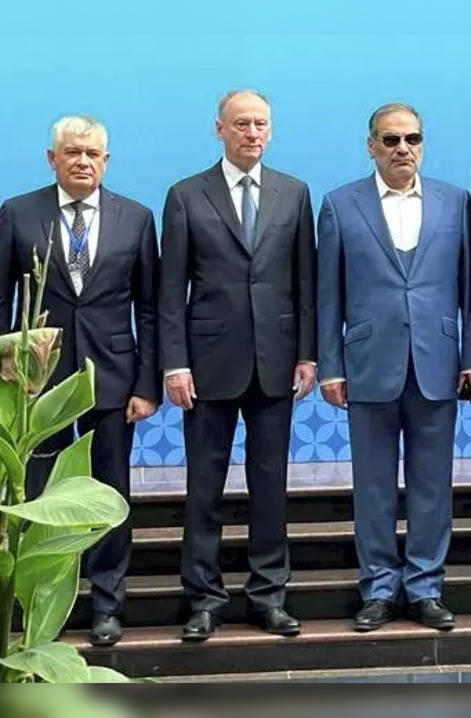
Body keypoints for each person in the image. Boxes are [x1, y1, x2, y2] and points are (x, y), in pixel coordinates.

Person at [316, 102, 471, 633]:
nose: (402, 149)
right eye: (390, 140)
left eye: (411, 139)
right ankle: (378, 587)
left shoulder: (455, 203)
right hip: (368, 363)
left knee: (433, 483)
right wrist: (329, 366)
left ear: (423, 143)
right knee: (372, 484)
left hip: (437, 362)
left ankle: (425, 586)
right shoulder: (340, 205)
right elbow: (327, 295)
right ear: (371, 146)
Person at [159, 89, 317, 640]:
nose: (252, 133)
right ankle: (204, 598)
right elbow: (169, 289)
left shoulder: (294, 194)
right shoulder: (184, 196)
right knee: (205, 485)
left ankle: (268, 594)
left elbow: (305, 283)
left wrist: (307, 353)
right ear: (219, 129)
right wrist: (174, 363)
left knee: (270, 484)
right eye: (242, 124)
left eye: (261, 124)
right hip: (206, 365)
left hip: (275, 362)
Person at [0, 115, 160, 646]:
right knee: (42, 493)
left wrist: (146, 384)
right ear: (52, 159)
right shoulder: (18, 214)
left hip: (112, 379)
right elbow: (3, 302)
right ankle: (42, 604)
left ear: (106, 161)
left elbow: (152, 309)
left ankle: (108, 603)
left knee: (109, 491)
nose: (82, 161)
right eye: (72, 152)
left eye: (92, 153)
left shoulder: (135, 219)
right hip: (37, 384)